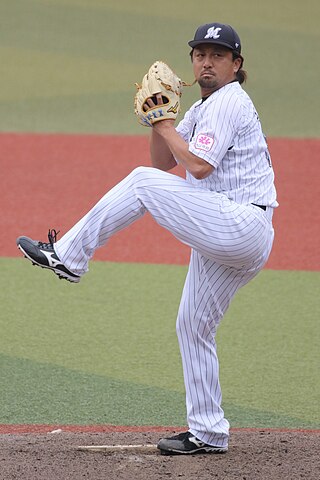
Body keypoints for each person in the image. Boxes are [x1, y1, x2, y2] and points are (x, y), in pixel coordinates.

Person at [17, 22, 278, 455]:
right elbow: (163, 164)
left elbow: (198, 167)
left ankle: (69, 256)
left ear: (236, 65)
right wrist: (160, 121)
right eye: (200, 54)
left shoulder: (231, 102)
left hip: (239, 223)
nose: (206, 61)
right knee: (193, 326)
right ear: (193, 62)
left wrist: (171, 126)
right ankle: (208, 433)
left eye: (217, 54)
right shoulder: (199, 110)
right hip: (227, 230)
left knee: (138, 183)